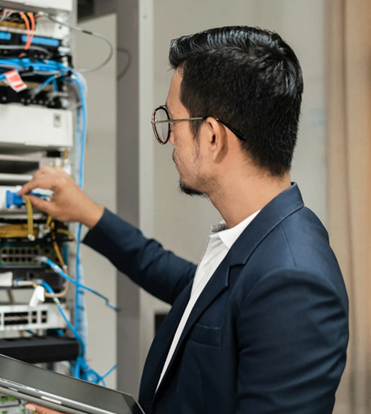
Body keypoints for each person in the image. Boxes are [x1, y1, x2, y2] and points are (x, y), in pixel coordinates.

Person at [19, 26, 348, 414]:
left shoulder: (293, 282)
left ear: (212, 137)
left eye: (172, 122)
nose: (170, 138)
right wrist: (89, 214)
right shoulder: (261, 236)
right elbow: (187, 287)